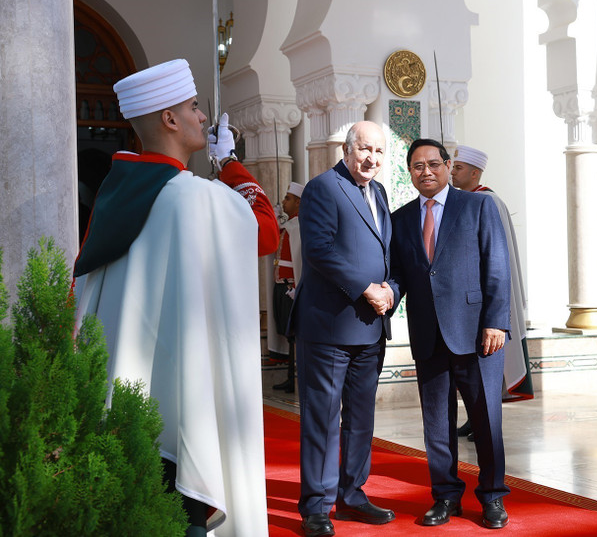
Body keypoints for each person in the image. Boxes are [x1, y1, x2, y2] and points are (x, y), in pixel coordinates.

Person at [72, 59, 278, 537]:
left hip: (121, 394)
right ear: (169, 119)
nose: (202, 117)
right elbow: (265, 231)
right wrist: (230, 164)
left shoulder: (114, 191)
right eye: (192, 107)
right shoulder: (194, 198)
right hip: (180, 400)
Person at [390, 138, 511, 529]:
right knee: (436, 423)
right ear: (410, 173)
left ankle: (492, 497)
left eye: (433, 164)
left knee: (486, 419)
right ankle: (445, 497)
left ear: (447, 165)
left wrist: (496, 321)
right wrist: (383, 296)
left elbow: (497, 265)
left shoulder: (478, 206)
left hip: (477, 333)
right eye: (417, 166)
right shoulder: (400, 219)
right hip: (428, 333)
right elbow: (398, 275)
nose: (425, 171)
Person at [288, 121, 396, 537]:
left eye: (379, 151)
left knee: (361, 419)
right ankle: (316, 506)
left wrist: (390, 291)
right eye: (365, 149)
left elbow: (386, 254)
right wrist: (366, 288)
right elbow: (320, 250)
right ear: (348, 149)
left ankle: (352, 495)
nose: (372, 159)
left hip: (370, 326)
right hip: (328, 328)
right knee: (322, 419)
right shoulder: (323, 188)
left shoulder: (379, 192)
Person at [450, 145, 534, 442]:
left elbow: (496, 258)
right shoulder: (461, 200)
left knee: (486, 366)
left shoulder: (489, 201)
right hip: (465, 299)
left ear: (475, 173)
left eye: (458, 168)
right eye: (453, 166)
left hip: (485, 299)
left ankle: (485, 422)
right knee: (468, 366)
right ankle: (474, 418)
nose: (452, 172)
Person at [269, 182, 304, 393]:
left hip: (291, 287)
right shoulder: (288, 225)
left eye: (288, 198)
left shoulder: (299, 226)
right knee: (285, 330)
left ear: (298, 202)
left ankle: (294, 377)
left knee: (293, 333)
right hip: (281, 285)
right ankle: (290, 375)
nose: (284, 202)